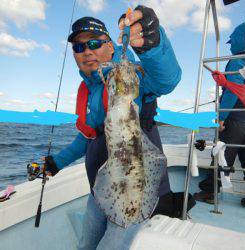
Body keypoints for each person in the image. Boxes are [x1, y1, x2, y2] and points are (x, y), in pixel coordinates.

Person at [44, 5, 182, 250]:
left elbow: (167, 78)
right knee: (86, 243)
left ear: (110, 45)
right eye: (79, 47)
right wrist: (57, 162)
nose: (87, 51)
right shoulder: (88, 90)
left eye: (94, 43)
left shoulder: (135, 74)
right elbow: (89, 136)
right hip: (100, 187)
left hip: (135, 188)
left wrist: (153, 41)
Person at [194, 22, 245, 209]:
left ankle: (210, 191)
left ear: (238, 39)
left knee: (221, 153)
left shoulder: (238, 60)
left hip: (235, 119)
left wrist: (221, 117)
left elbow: (232, 93)